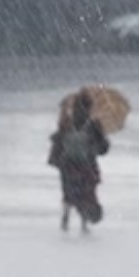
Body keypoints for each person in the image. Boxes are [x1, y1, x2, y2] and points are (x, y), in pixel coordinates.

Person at [48, 89, 110, 233]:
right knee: (87, 193)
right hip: (87, 165)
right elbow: (103, 148)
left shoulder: (67, 123)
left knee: (69, 193)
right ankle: (84, 223)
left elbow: (58, 141)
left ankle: (66, 218)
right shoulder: (93, 125)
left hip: (68, 165)